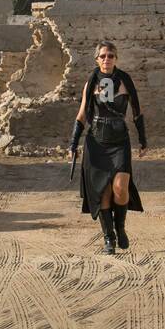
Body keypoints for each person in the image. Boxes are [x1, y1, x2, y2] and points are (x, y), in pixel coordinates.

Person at [69, 40, 146, 254]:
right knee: (103, 191)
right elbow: (83, 113)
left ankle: (120, 228)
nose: (106, 59)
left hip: (119, 140)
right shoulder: (91, 80)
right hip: (96, 142)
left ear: (116, 58)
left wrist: (143, 139)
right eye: (102, 56)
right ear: (97, 59)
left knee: (120, 188)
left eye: (110, 55)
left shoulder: (124, 80)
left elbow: (137, 111)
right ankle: (109, 238)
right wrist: (73, 142)